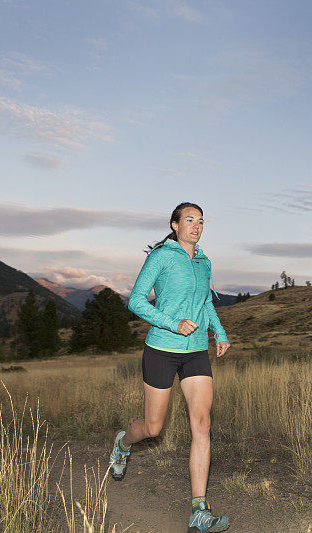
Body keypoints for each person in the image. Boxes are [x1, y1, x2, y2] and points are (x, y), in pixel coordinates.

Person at [109, 202, 231, 533]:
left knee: (202, 424)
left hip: (195, 354)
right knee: (153, 427)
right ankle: (122, 443)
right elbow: (135, 300)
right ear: (175, 225)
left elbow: (206, 302)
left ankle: (198, 510)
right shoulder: (161, 256)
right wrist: (173, 323)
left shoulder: (204, 261)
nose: (196, 225)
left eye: (201, 221)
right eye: (189, 220)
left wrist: (218, 332)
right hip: (161, 350)